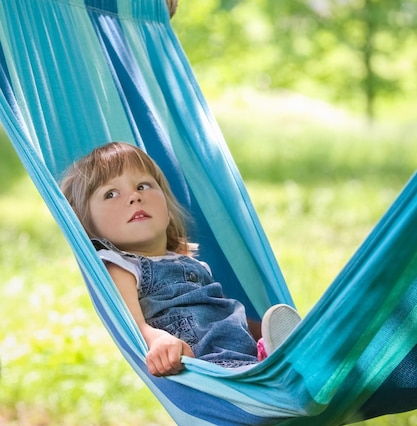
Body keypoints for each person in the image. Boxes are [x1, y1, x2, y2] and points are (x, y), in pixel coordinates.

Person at [60, 141, 301, 376]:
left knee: (294, 354)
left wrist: (276, 330)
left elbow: (227, 315)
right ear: (87, 225)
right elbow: (130, 325)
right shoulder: (121, 267)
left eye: (143, 186)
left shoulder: (195, 265)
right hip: (212, 369)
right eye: (111, 193)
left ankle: (283, 352)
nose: (134, 196)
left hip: (246, 358)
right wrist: (158, 339)